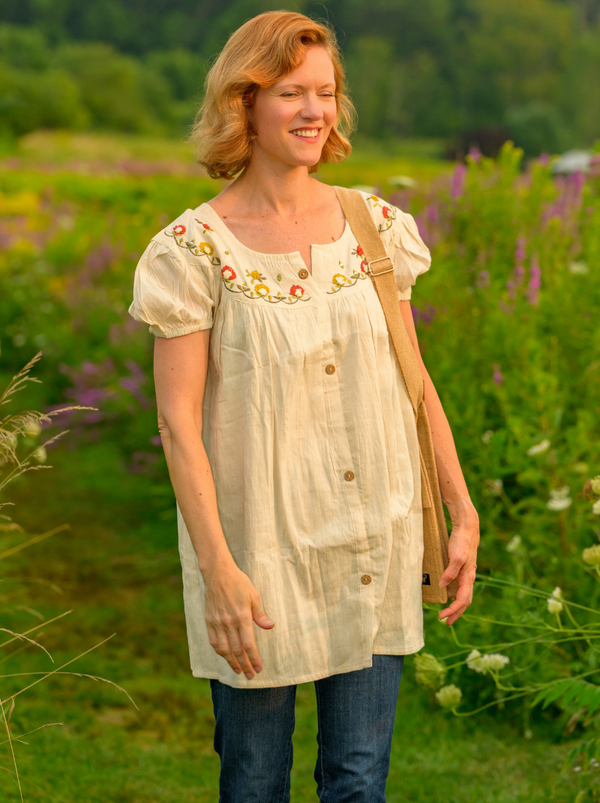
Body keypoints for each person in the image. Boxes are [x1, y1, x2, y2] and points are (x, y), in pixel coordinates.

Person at [128, 10, 479, 802]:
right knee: (253, 783)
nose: (315, 110)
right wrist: (218, 568)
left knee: (358, 781)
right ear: (244, 103)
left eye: (325, 92)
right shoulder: (193, 251)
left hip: (371, 543)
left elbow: (414, 382)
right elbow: (177, 423)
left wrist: (461, 510)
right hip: (259, 555)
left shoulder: (375, 227)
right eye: (291, 92)